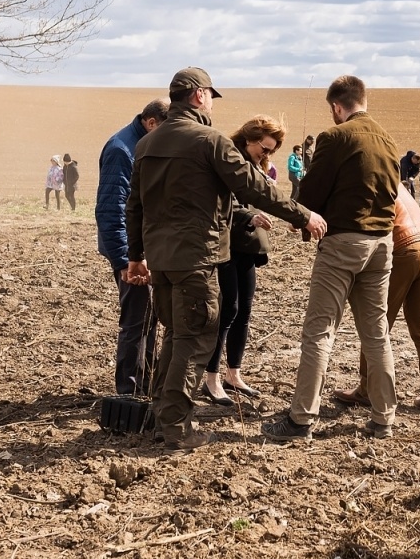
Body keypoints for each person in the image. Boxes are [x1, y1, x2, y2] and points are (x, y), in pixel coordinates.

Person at [125, 67, 325, 450]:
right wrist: (304, 215)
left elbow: (134, 207)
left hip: (161, 260)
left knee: (176, 336)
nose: (211, 105)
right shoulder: (209, 140)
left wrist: (136, 257)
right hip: (196, 256)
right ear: (200, 96)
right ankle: (177, 428)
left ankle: (159, 415)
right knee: (199, 333)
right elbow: (253, 187)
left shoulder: (146, 145)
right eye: (211, 97)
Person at [264, 75, 400, 441]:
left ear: (337, 107)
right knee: (376, 333)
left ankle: (300, 420)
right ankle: (383, 418)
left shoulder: (335, 137)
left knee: (320, 332)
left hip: (343, 244)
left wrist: (302, 218)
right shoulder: (388, 139)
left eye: (332, 111)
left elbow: (313, 189)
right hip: (382, 244)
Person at [333, 184, 420, 413]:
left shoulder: (367, 181)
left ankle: (366, 390)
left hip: (404, 249)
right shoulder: (394, 179)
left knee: (375, 324)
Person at [200, 115, 287, 405]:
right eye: (265, 148)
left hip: (249, 248)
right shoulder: (230, 159)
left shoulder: (256, 165)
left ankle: (232, 374)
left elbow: (267, 195)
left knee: (244, 311)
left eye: (272, 150)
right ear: (249, 139)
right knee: (228, 310)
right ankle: (210, 378)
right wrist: (250, 216)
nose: (268, 154)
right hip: (228, 247)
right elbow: (225, 203)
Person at [95, 99, 168, 395]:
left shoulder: (141, 145)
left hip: (144, 250)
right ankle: (129, 392)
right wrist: (127, 261)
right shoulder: (122, 150)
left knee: (148, 319)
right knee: (136, 323)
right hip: (130, 254)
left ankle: (145, 386)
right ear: (151, 123)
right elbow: (111, 211)